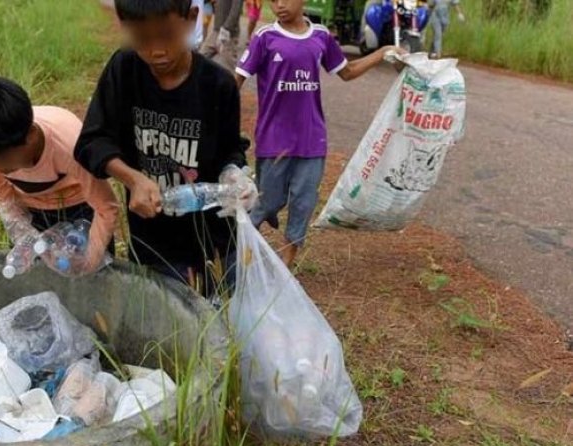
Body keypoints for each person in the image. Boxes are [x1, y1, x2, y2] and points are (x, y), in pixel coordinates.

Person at [75, 0, 254, 296]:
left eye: (167, 35)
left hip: (212, 244)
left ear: (191, 18)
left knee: (212, 319)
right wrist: (133, 178)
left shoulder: (217, 84)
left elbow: (230, 150)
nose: (156, 51)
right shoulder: (124, 70)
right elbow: (92, 141)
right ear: (124, 25)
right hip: (152, 241)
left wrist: (234, 175)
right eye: (142, 39)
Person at [235, 0, 404, 266]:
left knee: (303, 203)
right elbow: (236, 80)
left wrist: (382, 52)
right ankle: (239, 261)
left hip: (312, 138)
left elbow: (347, 72)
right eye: (273, 1)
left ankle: (286, 267)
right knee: (267, 202)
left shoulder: (321, 37)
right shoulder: (265, 37)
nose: (279, 5)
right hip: (274, 140)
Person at [0, 76, 119, 275]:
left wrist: (89, 261)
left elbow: (106, 208)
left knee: (92, 277)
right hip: (29, 208)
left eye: (4, 162)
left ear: (30, 137)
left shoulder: (72, 148)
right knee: (33, 273)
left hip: (81, 209)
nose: (0, 170)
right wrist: (14, 216)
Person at [199, 0, 244, 64]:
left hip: (229, 34)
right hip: (216, 30)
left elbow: (236, 10)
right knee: (201, 57)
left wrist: (226, 28)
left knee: (229, 65)